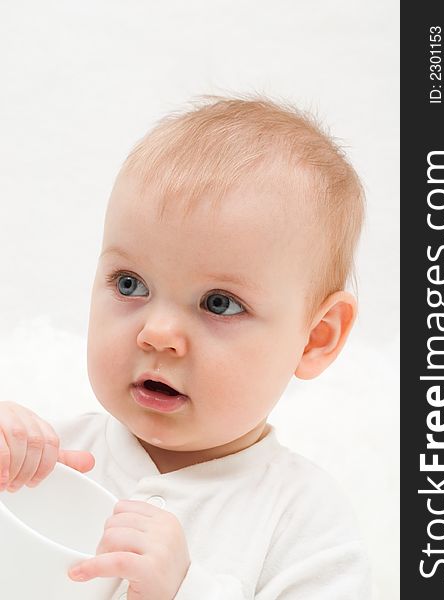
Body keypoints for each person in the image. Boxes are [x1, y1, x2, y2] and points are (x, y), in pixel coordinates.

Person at [0, 94, 370, 599]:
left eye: (218, 303)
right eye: (129, 284)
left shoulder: (303, 521)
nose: (156, 334)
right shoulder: (48, 460)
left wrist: (184, 589)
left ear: (316, 338)